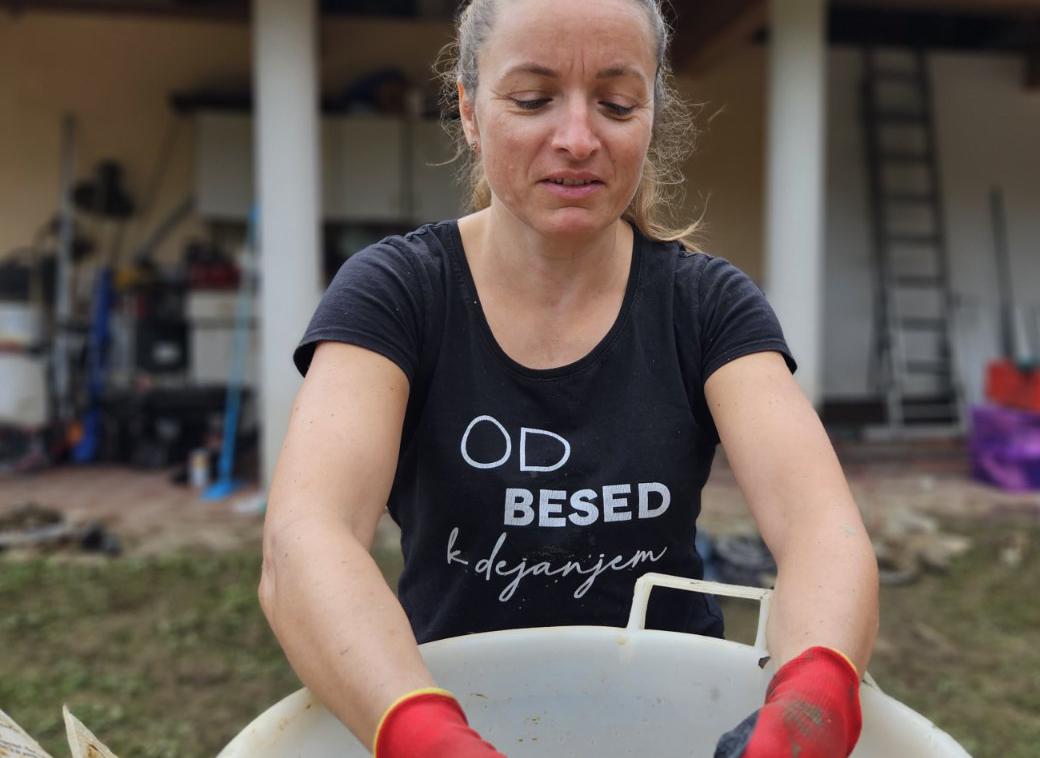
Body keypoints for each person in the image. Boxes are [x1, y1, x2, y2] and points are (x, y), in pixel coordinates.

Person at [257, 0, 879, 756]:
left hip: (672, 715)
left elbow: (821, 529)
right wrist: (423, 736)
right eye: (533, 99)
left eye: (617, 103)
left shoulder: (705, 305)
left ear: (652, 113)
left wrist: (813, 702)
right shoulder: (398, 294)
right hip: (441, 703)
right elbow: (306, 538)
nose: (578, 139)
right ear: (470, 109)